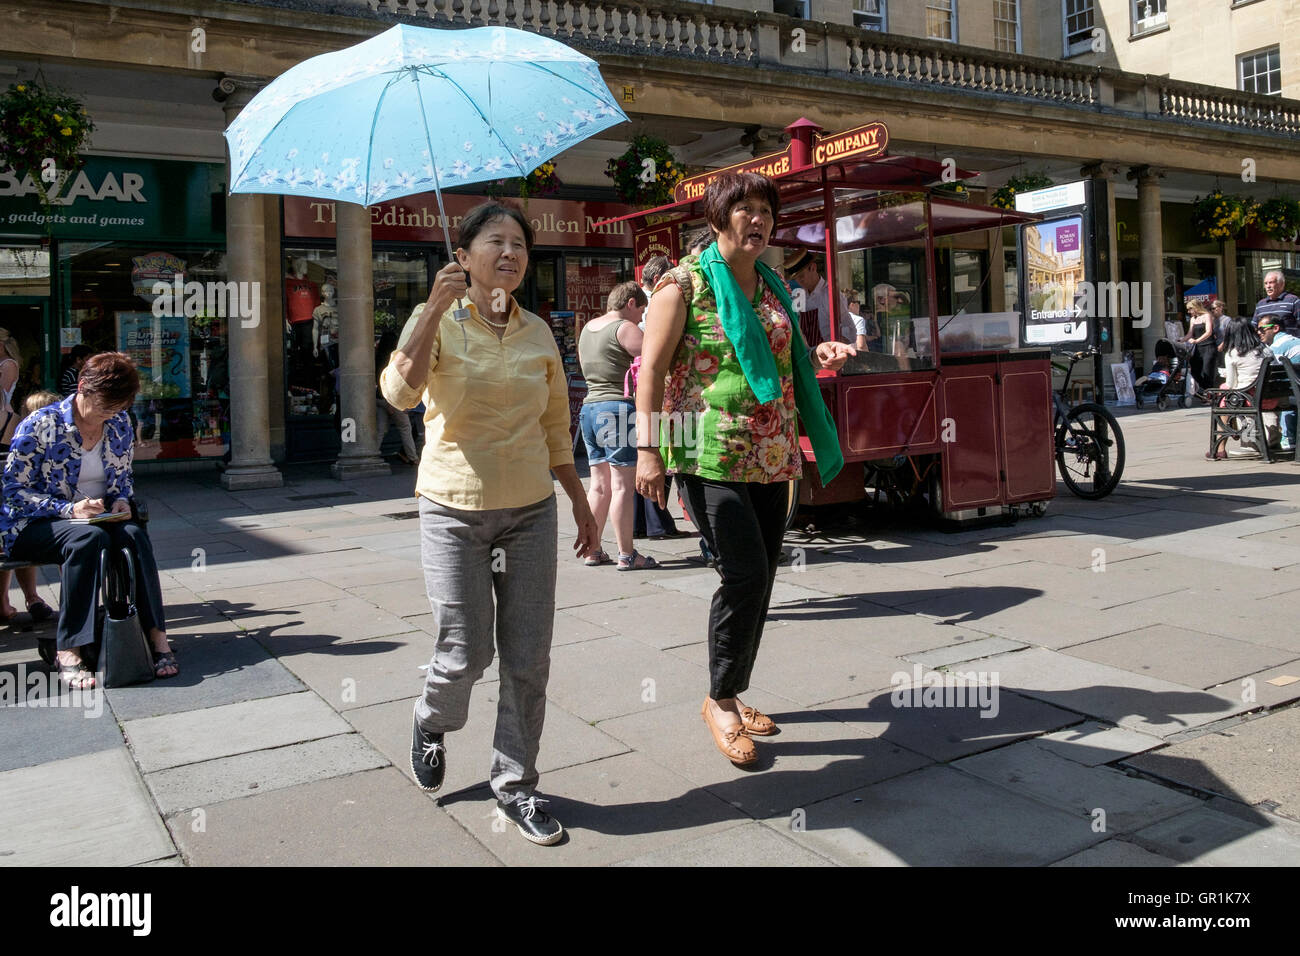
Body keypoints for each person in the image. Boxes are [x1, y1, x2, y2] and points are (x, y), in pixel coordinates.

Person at [380, 201, 598, 846]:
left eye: (520, 245)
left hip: (530, 510)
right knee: (466, 650)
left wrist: (582, 505)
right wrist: (430, 314)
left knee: (529, 659)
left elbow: (556, 425)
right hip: (452, 509)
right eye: (496, 242)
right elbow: (400, 393)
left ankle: (517, 785)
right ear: (464, 255)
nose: (510, 254)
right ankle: (431, 718)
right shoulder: (436, 318)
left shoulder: (536, 332)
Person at [636, 172, 854, 766]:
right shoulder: (683, 286)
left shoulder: (771, 285)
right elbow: (651, 372)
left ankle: (731, 687)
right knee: (745, 576)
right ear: (716, 219)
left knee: (763, 578)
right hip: (709, 455)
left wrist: (819, 354)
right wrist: (648, 450)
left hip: (772, 455)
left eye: (764, 210)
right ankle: (722, 700)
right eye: (743, 209)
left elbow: (782, 360)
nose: (756, 219)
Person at [0, 353, 175, 687]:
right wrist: (69, 510)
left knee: (134, 535)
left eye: (116, 409)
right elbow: (14, 492)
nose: (108, 417)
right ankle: (70, 649)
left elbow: (121, 478)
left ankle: (156, 638)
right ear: (82, 388)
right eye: (104, 408)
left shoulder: (120, 422)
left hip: (98, 516)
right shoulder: (41, 424)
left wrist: (121, 499)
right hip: (34, 523)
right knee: (87, 540)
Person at [578, 281, 656, 570]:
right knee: (623, 486)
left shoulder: (588, 328)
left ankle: (592, 549)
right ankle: (627, 554)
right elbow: (653, 357)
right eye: (641, 311)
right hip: (618, 408)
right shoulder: (624, 328)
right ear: (631, 303)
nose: (640, 319)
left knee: (599, 485)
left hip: (589, 409)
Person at [0, 388, 61, 624]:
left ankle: (5, 602)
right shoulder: (13, 424)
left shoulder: (23, 429)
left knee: (13, 528)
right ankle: (33, 598)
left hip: (10, 519)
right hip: (33, 517)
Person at [1206, 317, 1271, 460]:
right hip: (1270, 397)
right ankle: (1234, 428)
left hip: (1249, 399)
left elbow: (1230, 383)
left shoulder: (1233, 353)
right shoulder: (1266, 349)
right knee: (1229, 399)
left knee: (1223, 399)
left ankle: (1221, 447)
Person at [783, 249, 864, 347]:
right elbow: (795, 325)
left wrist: (836, 345)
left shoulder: (830, 294)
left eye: (801, 276)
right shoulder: (798, 295)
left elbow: (850, 329)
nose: (799, 281)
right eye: (796, 278)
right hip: (806, 355)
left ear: (813, 267)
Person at [374, 328, 418, 465]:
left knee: (381, 428)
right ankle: (412, 457)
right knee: (405, 427)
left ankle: (373, 452)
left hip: (378, 398)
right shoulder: (393, 358)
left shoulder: (376, 357)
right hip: (390, 398)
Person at [1183, 299, 1218, 397]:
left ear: (1196, 307)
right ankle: (1207, 391)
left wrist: (1197, 340)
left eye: (1190, 309)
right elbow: (1190, 334)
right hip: (1199, 349)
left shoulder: (1207, 316)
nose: (1189, 311)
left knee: (1207, 372)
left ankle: (1209, 395)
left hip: (1209, 347)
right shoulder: (1193, 319)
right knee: (1194, 370)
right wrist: (1181, 340)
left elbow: (1209, 332)